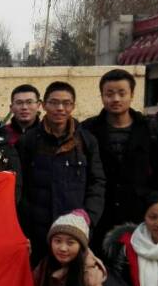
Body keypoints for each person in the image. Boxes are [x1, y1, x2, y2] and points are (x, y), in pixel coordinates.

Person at [82, 69, 158, 254]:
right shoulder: (88, 130)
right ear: (101, 96)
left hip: (139, 214)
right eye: (109, 94)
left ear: (132, 95)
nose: (116, 99)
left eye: (122, 93)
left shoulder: (150, 128)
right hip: (101, 214)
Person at [17, 81, 106, 265]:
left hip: (75, 231)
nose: (60, 108)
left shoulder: (86, 141)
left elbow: (97, 182)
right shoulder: (28, 141)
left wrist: (88, 217)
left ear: (73, 106)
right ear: (43, 105)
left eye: (66, 103)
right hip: (37, 233)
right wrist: (26, 223)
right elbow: (19, 185)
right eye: (54, 102)